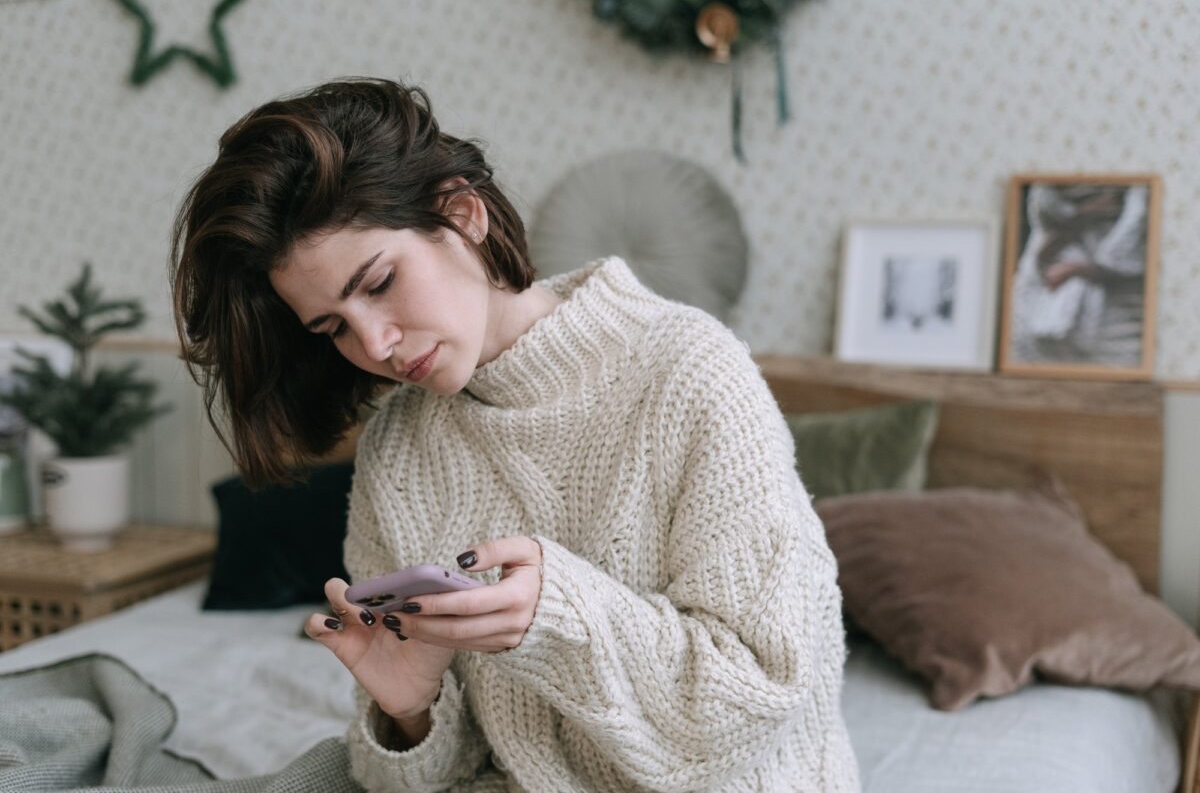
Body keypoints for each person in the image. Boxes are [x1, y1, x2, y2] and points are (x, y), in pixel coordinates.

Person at [169, 76, 860, 792]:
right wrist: (409, 711)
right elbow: (417, 778)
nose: (375, 344)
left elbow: (758, 696)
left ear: (463, 214)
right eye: (333, 326)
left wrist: (558, 616)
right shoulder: (399, 453)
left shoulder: (690, 371)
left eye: (378, 283)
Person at [1008, 183, 1149, 367]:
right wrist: (1084, 214)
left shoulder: (1138, 198)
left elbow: (1134, 230)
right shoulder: (1046, 195)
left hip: (1117, 310)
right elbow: (1043, 248)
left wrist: (1078, 269)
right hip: (1038, 302)